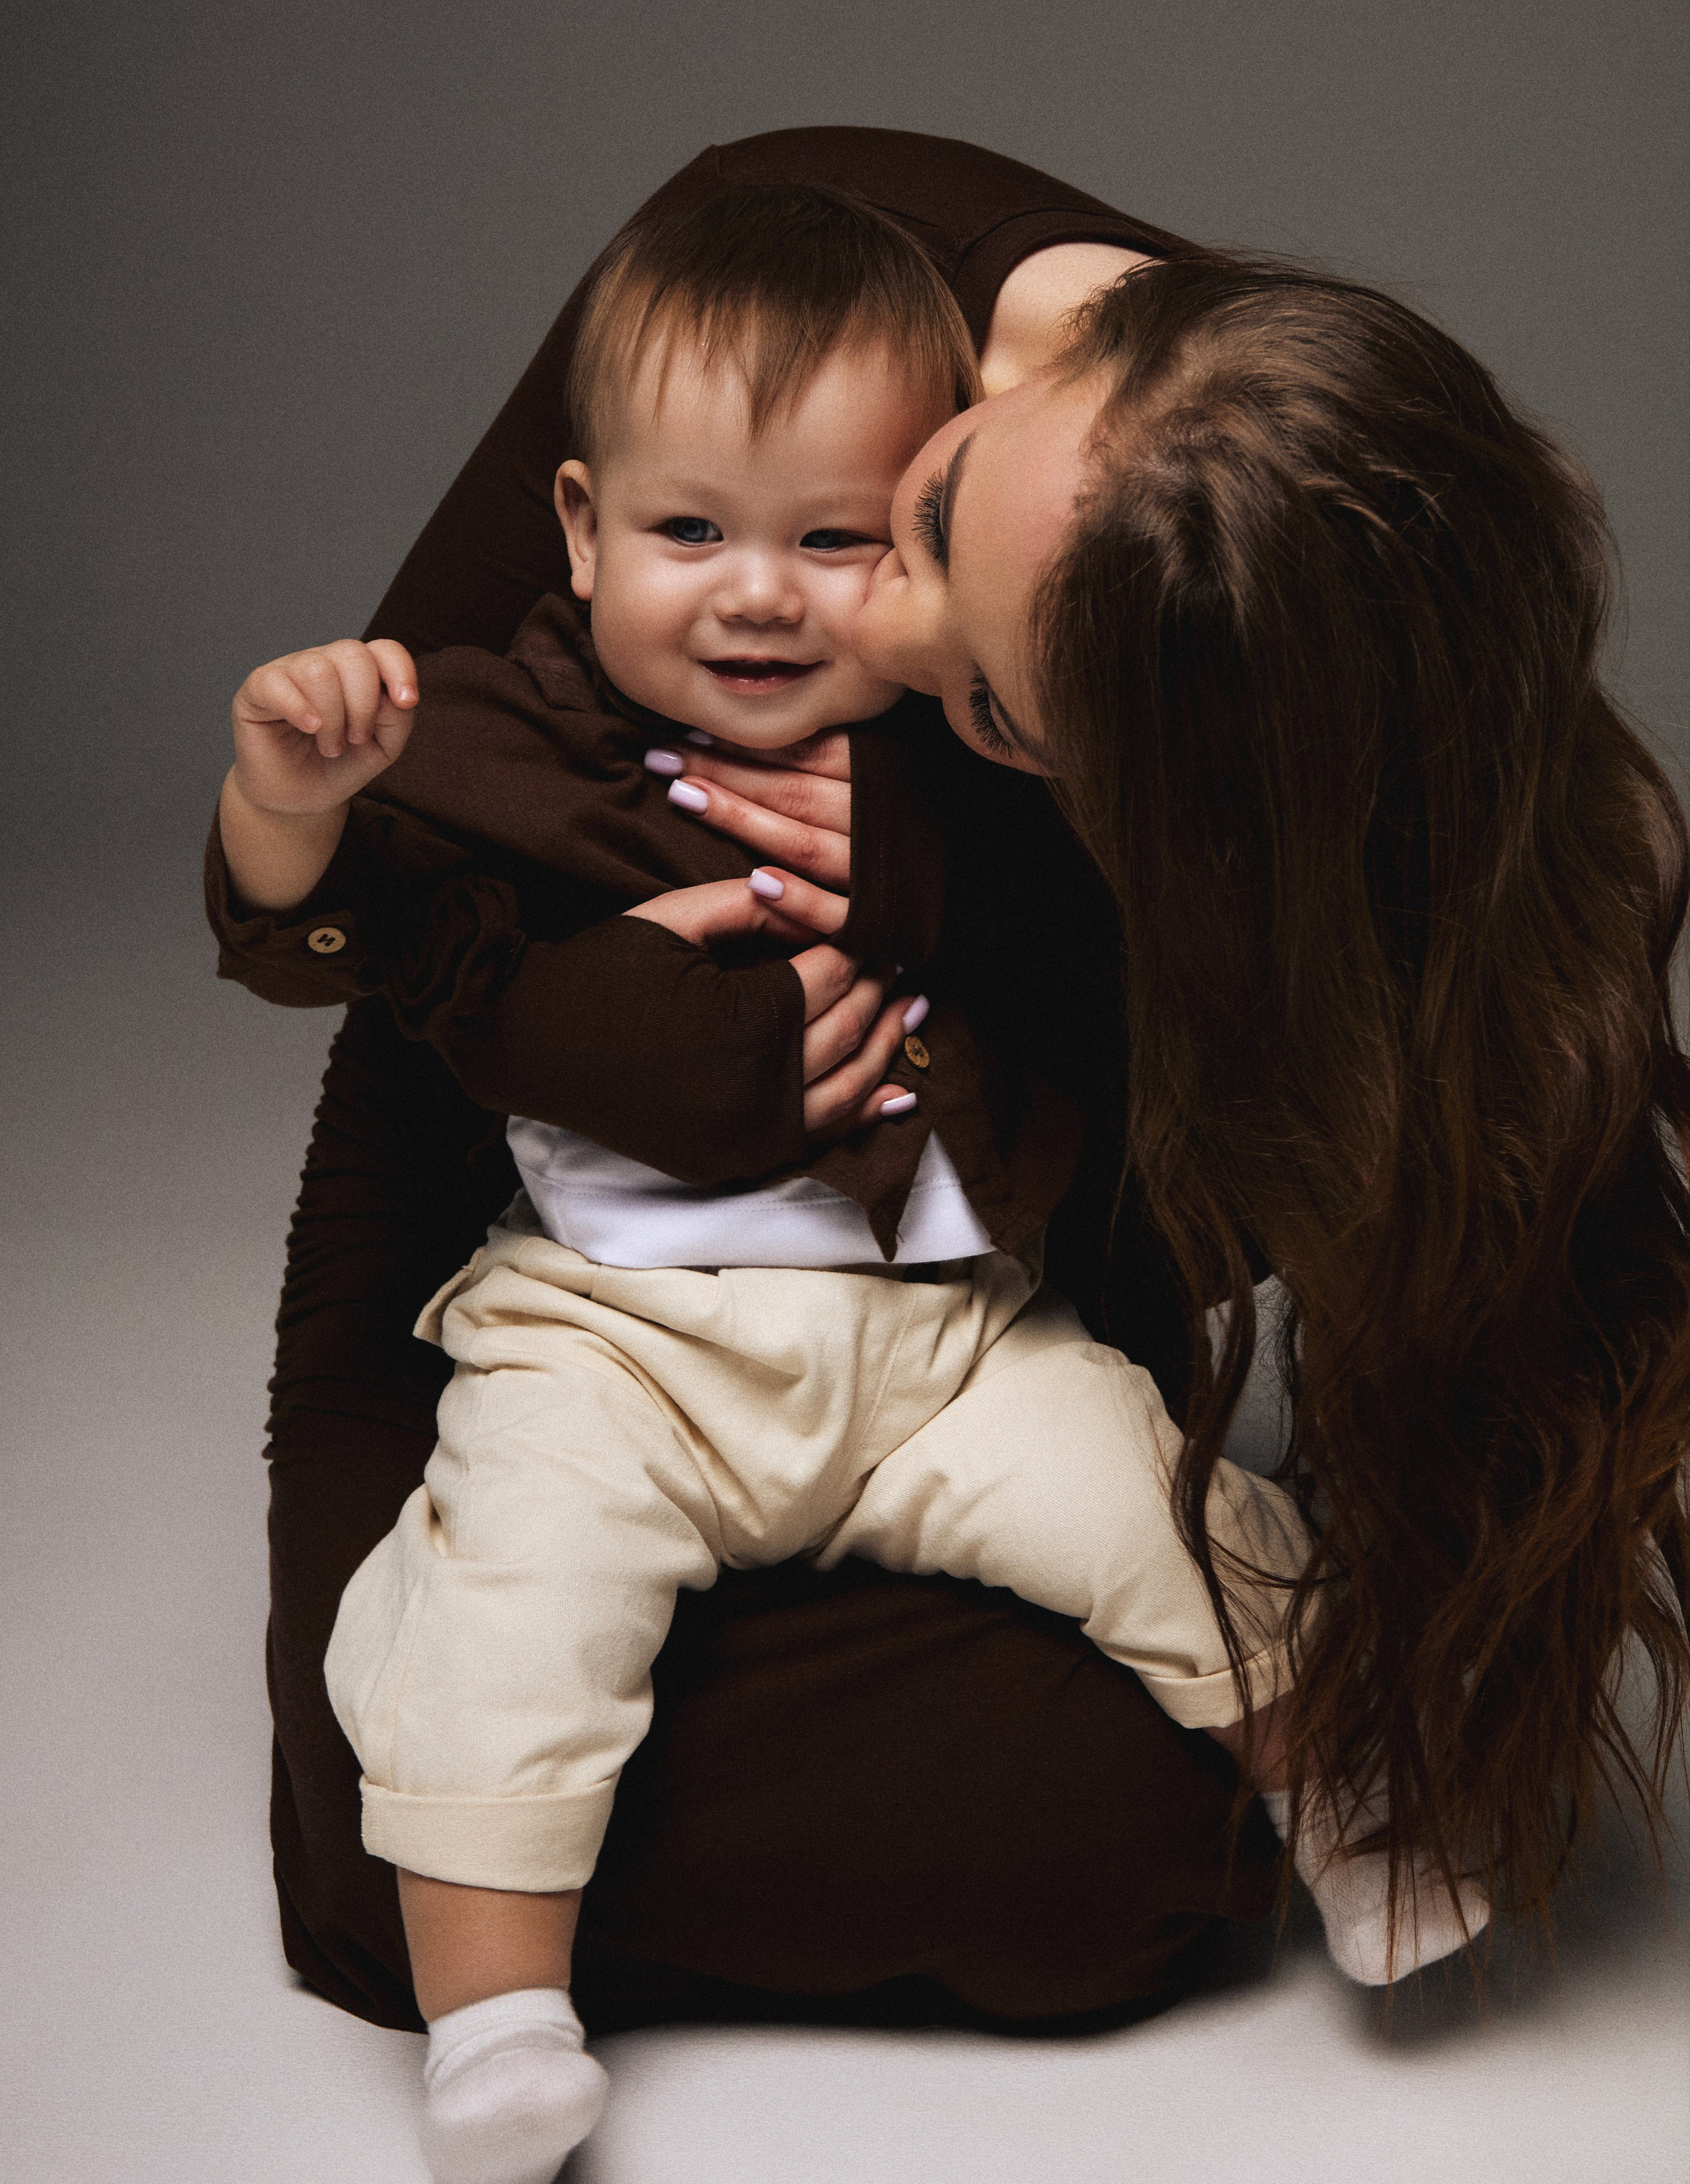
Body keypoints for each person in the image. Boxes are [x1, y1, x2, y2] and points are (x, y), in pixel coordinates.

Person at [217, 183, 1349, 2184]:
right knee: (503, 1613)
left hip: (940, 1334)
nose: (759, 596)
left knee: (1178, 1515)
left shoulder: (980, 763)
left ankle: (1368, 1812)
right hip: (614, 1342)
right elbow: (327, 936)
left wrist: (944, 868)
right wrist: (291, 798)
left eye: (837, 543)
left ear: (925, 541)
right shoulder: (495, 737)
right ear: (577, 530)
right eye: (689, 534)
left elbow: (1157, 1015)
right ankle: (496, 2027)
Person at [848, 247, 1690, 1953]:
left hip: (958, 1365)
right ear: (1069, 324)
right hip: (599, 1338)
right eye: (938, 510)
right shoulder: (779, 309)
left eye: (991, 714)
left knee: (1119, 1849)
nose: (873, 624)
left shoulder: (1303, 688)